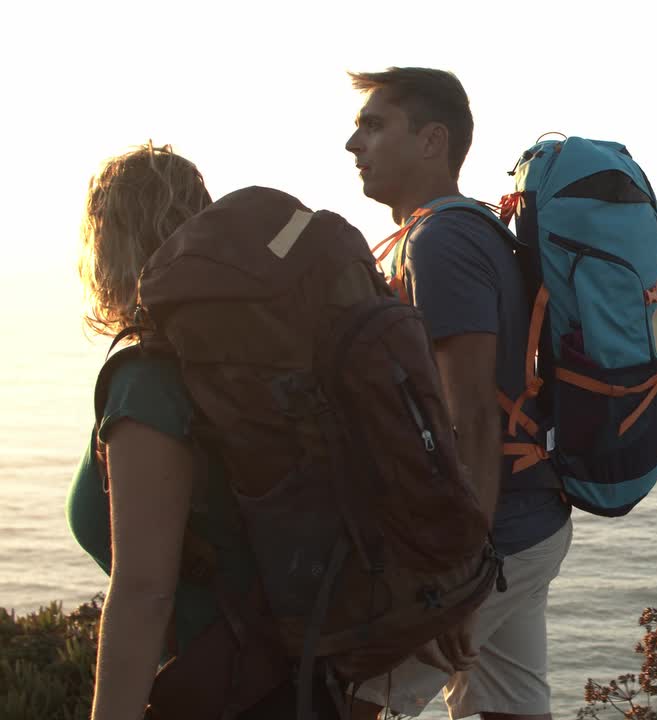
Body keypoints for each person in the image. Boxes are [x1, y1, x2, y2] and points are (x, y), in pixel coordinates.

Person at [66, 142, 337, 720]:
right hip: (292, 677)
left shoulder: (149, 380)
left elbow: (143, 593)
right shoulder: (244, 359)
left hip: (228, 690)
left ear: (108, 243)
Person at [344, 67, 572, 720]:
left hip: (493, 540)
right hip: (530, 525)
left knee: (354, 699)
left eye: (374, 125)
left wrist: (455, 578)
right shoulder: (465, 230)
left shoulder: (440, 242)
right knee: (510, 708)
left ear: (431, 141)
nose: (353, 144)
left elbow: (471, 415)